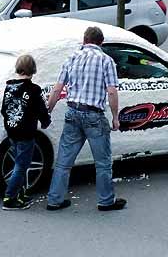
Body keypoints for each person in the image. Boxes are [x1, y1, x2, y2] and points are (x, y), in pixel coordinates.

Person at [46, 26, 127, 211]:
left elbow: (58, 89)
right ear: (101, 42)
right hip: (94, 116)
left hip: (72, 113)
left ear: (84, 41)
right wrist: (115, 117)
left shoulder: (72, 58)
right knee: (103, 162)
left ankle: (54, 200)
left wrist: (48, 111)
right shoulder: (106, 60)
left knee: (64, 161)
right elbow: (112, 91)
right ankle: (106, 201)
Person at [1, 54, 51, 210]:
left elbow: (4, 109)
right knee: (22, 165)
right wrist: (45, 121)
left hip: (11, 130)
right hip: (26, 133)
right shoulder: (33, 89)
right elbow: (41, 110)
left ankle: (20, 194)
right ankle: (9, 198)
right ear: (33, 69)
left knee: (18, 163)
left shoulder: (9, 87)